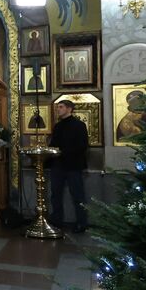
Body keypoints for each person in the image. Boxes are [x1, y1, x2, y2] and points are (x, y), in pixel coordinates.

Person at [48, 99, 89, 233]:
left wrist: (62, 153)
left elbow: (82, 146)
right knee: (55, 195)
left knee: (77, 195)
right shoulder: (58, 126)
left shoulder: (79, 125)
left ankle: (81, 223)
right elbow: (53, 144)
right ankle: (56, 221)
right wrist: (49, 152)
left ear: (69, 109)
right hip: (58, 166)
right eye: (58, 107)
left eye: (61, 107)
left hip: (73, 166)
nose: (58, 109)